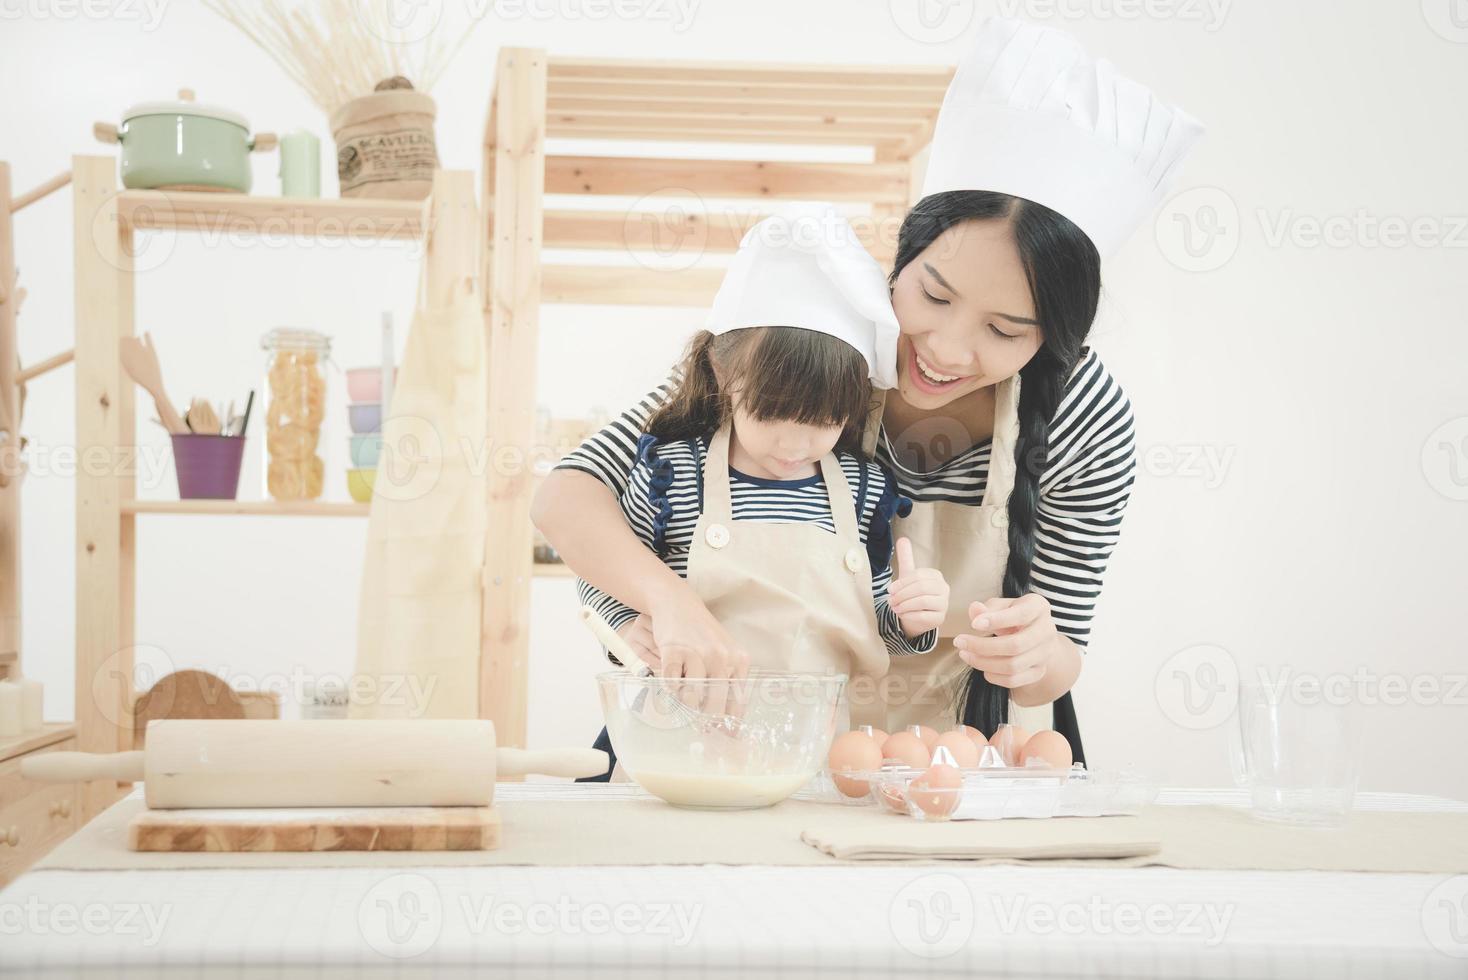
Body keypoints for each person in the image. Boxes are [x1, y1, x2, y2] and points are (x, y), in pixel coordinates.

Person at [534, 18, 1204, 763]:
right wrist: (669, 602)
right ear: (905, 254)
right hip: (728, 738)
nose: (947, 351)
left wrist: (1034, 655)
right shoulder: (804, 340)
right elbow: (568, 497)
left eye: (1005, 331)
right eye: (935, 295)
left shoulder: (1086, 415)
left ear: (1054, 337)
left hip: (945, 759)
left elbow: (1062, 653)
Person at [565, 204, 950, 780]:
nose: (795, 443)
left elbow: (870, 622)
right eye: (772, 412)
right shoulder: (674, 471)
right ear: (724, 377)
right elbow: (598, 573)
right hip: (677, 741)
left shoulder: (866, 489)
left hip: (812, 753)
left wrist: (911, 619)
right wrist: (625, 626)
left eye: (823, 420)